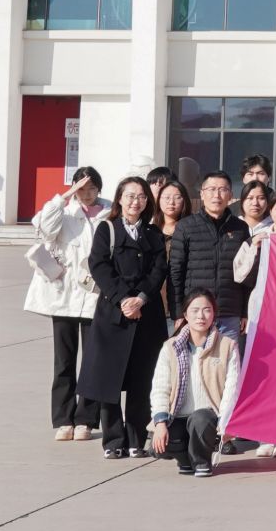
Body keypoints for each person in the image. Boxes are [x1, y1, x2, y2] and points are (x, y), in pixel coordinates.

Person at [82, 176, 167, 459]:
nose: (135, 202)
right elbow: (99, 265)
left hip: (146, 314)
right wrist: (123, 299)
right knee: (109, 379)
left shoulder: (153, 234)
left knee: (142, 379)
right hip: (113, 314)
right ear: (120, 198)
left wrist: (140, 298)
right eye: (130, 196)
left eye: (141, 196)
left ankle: (135, 439)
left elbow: (158, 270)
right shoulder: (107, 229)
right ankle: (113, 440)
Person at [149, 290, 241, 478]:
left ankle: (201, 461)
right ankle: (185, 460)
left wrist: (226, 422)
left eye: (207, 310)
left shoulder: (227, 345)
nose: (201, 316)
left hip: (209, 419)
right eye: (195, 310)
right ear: (185, 314)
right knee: (158, 447)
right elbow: (160, 388)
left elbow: (232, 388)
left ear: (214, 313)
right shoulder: (170, 347)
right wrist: (160, 423)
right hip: (178, 416)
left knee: (200, 419)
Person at [169, 171, 255, 354]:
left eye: (223, 189)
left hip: (229, 312)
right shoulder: (186, 226)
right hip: (195, 312)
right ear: (202, 193)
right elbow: (175, 272)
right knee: (195, 364)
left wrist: (244, 311)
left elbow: (248, 273)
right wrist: (177, 312)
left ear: (230, 195)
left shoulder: (240, 229)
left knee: (228, 363)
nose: (217, 195)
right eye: (211, 189)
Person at [152, 179, 191, 327]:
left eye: (177, 197)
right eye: (166, 197)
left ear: (185, 200)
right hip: (153, 301)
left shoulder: (191, 230)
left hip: (182, 303)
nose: (171, 202)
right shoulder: (149, 230)